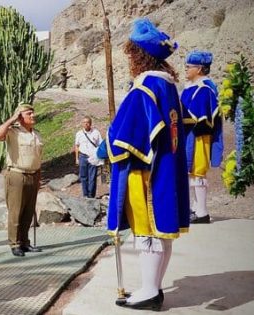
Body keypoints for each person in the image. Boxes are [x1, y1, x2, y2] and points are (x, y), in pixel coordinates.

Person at [107, 18, 188, 310]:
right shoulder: (168, 86)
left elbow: (127, 132)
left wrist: (103, 149)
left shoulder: (144, 88)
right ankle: (153, 287)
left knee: (147, 231)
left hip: (145, 173)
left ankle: (150, 291)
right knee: (161, 233)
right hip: (166, 169)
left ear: (138, 55)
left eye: (131, 54)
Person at [0, 103, 44, 257]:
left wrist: (39, 177)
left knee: (28, 212)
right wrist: (12, 119)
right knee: (16, 212)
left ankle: (24, 242)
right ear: (20, 117)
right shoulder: (13, 132)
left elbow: (38, 157)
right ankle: (15, 244)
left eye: (33, 113)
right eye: (29, 113)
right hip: (17, 174)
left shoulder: (36, 134)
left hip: (33, 174)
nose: (33, 115)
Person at [181, 50, 222, 224]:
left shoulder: (204, 89)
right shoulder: (192, 87)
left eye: (188, 67)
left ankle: (202, 213)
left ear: (199, 69)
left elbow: (200, 114)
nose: (185, 69)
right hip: (190, 134)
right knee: (192, 173)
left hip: (199, 134)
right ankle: (196, 208)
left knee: (198, 171)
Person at [74, 116, 104, 198]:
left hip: (93, 157)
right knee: (83, 177)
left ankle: (91, 195)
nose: (86, 124)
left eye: (87, 122)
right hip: (82, 156)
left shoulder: (96, 132)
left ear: (90, 123)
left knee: (92, 177)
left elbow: (100, 144)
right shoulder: (79, 134)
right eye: (84, 122)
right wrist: (77, 158)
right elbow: (76, 146)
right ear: (82, 124)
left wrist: (100, 156)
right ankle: (85, 195)